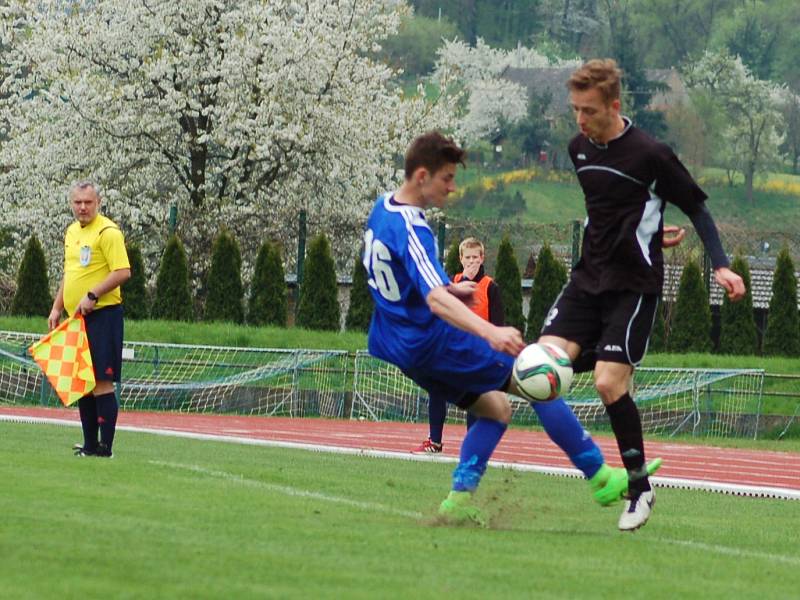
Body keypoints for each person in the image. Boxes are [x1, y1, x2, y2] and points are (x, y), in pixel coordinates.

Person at [364, 131, 644, 526]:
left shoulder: (381, 210)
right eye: (447, 178)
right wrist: (489, 331)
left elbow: (397, 277)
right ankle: (600, 476)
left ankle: (459, 499)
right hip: (433, 341)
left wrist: (448, 287)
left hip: (396, 342)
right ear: (422, 175)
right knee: (539, 375)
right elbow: (433, 301)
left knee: (495, 408)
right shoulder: (414, 227)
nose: (452, 186)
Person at [534, 59, 746, 531]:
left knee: (610, 383)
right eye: (575, 110)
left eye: (589, 111)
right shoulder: (577, 149)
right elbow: (608, 211)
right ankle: (595, 464)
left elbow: (696, 208)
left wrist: (722, 266)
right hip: (586, 281)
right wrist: (644, 231)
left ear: (614, 105)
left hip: (634, 286)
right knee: (537, 370)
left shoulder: (652, 154)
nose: (580, 121)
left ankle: (639, 487)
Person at [48, 181, 131, 458]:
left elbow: (122, 272)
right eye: (78, 202)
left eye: (88, 202)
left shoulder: (108, 232)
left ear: (98, 203)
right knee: (82, 381)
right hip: (77, 318)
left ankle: (105, 448)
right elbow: (69, 273)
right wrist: (57, 307)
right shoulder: (71, 232)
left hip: (103, 315)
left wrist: (93, 295)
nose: (82, 207)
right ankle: (89, 445)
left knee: (101, 382)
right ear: (71, 204)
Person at [413, 237, 503, 454]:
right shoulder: (452, 282)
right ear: (461, 259)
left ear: (482, 258)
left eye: (475, 257)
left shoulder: (490, 286)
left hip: (477, 350)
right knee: (437, 389)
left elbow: (498, 323)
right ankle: (435, 441)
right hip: (451, 348)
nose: (472, 261)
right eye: (468, 257)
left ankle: (472, 446)